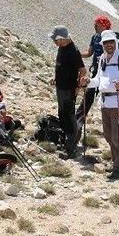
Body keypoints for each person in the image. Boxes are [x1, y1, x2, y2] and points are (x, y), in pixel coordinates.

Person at [87, 30, 119, 179]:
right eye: (105, 43)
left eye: (111, 42)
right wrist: (88, 82)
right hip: (105, 103)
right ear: (102, 44)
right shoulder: (102, 58)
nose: (108, 45)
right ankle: (117, 163)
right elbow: (98, 80)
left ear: (115, 42)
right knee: (109, 136)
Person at [50, 25, 87, 159]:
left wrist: (77, 86)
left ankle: (71, 148)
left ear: (62, 38)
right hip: (61, 87)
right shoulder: (62, 47)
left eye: (55, 39)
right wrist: (56, 78)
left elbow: (83, 71)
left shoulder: (73, 51)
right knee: (63, 114)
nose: (54, 42)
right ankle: (67, 143)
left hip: (68, 89)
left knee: (69, 116)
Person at [76, 15, 111, 125]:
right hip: (96, 70)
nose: (94, 26)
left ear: (104, 25)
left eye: (97, 24)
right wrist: (77, 54)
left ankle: (112, 122)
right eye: (95, 24)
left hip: (108, 72)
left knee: (108, 95)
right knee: (89, 94)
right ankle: (78, 120)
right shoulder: (95, 37)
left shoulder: (111, 38)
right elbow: (90, 53)